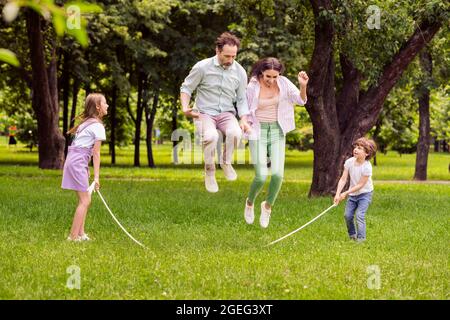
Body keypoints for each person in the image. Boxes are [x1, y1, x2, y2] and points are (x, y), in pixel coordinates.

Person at [180, 32, 251, 193]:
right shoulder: (202, 67)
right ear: (217, 51)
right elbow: (186, 87)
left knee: (236, 133)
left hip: (226, 113)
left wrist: (244, 119)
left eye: (233, 56)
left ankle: (225, 162)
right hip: (204, 112)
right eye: (227, 56)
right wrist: (185, 107)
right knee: (212, 136)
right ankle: (210, 170)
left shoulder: (239, 72)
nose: (230, 60)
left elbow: (241, 98)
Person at [244, 57, 309, 228]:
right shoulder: (252, 87)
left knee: (278, 175)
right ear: (261, 73)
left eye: (275, 76)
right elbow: (244, 109)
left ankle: (267, 207)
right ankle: (250, 203)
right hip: (257, 131)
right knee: (260, 176)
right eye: (268, 77)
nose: (272, 80)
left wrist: (303, 86)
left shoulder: (284, 83)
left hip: (277, 131)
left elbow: (301, 101)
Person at [62, 93, 108, 241]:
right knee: (85, 201)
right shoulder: (97, 126)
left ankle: (81, 234)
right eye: (105, 103)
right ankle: (73, 237)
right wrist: (96, 177)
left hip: (74, 161)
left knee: (85, 198)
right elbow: (96, 153)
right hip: (78, 163)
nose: (107, 105)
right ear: (98, 106)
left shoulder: (86, 123)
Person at [334, 137, 377, 242]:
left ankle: (361, 239)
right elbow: (343, 179)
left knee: (359, 215)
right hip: (353, 195)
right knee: (347, 215)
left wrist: (345, 193)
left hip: (365, 194)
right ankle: (352, 235)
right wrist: (337, 194)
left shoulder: (367, 167)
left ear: (367, 153)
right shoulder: (349, 162)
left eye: (360, 148)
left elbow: (360, 185)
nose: (355, 150)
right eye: (355, 147)